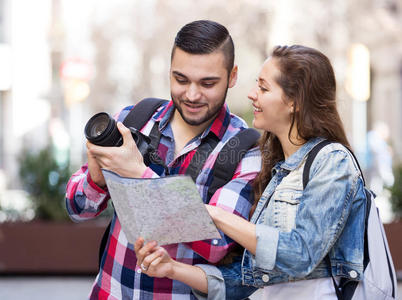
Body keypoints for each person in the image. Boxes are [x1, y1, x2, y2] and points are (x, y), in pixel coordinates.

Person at [134, 45, 367, 300]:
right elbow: (244, 279)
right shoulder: (275, 168)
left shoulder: (332, 162)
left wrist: (215, 214)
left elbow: (300, 256)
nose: (251, 94)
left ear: (294, 102)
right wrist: (172, 269)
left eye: (264, 88)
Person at [65, 20, 261, 299]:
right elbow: (76, 208)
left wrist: (138, 173)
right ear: (169, 71)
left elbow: (219, 242)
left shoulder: (245, 149)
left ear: (232, 76)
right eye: (181, 80)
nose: (192, 95)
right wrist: (96, 178)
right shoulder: (135, 120)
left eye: (208, 83)